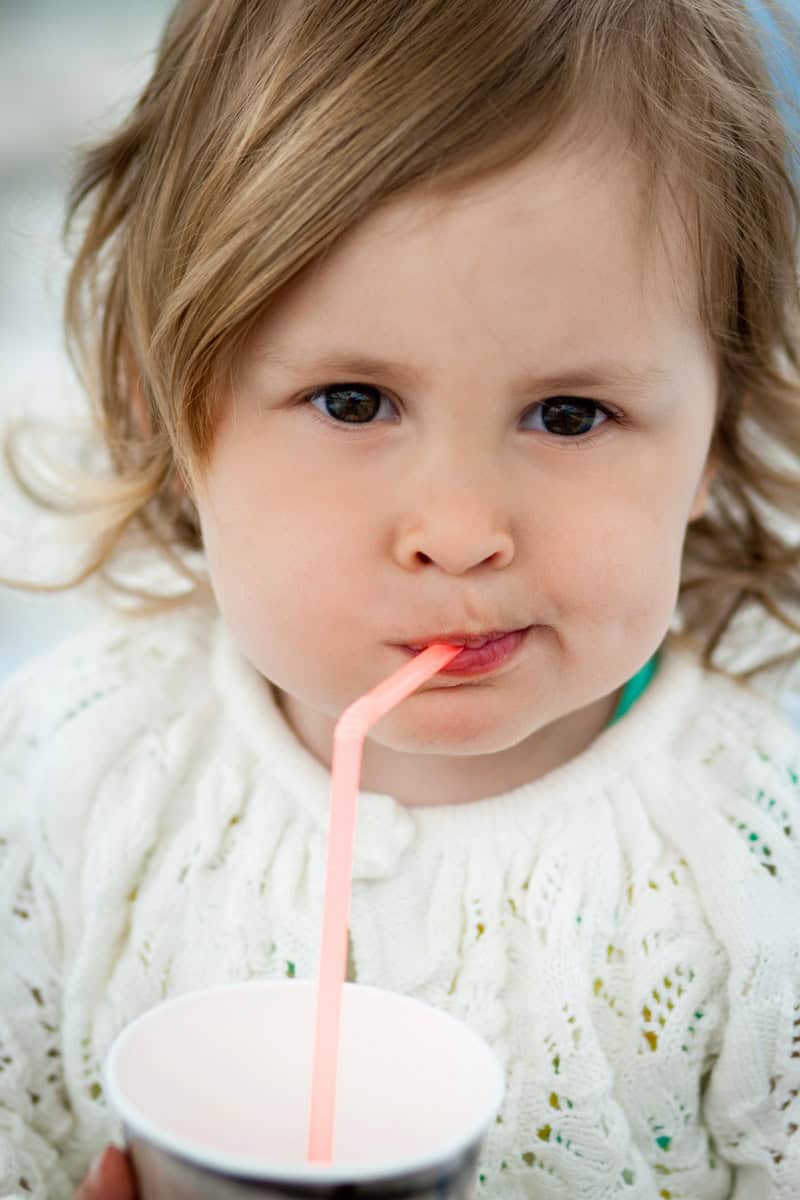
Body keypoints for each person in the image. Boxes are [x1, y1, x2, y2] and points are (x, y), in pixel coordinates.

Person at [2, 0, 800, 1196]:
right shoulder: (66, 773)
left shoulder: (755, 862)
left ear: (712, 428)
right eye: (354, 401)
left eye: (570, 415)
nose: (462, 533)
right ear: (161, 398)